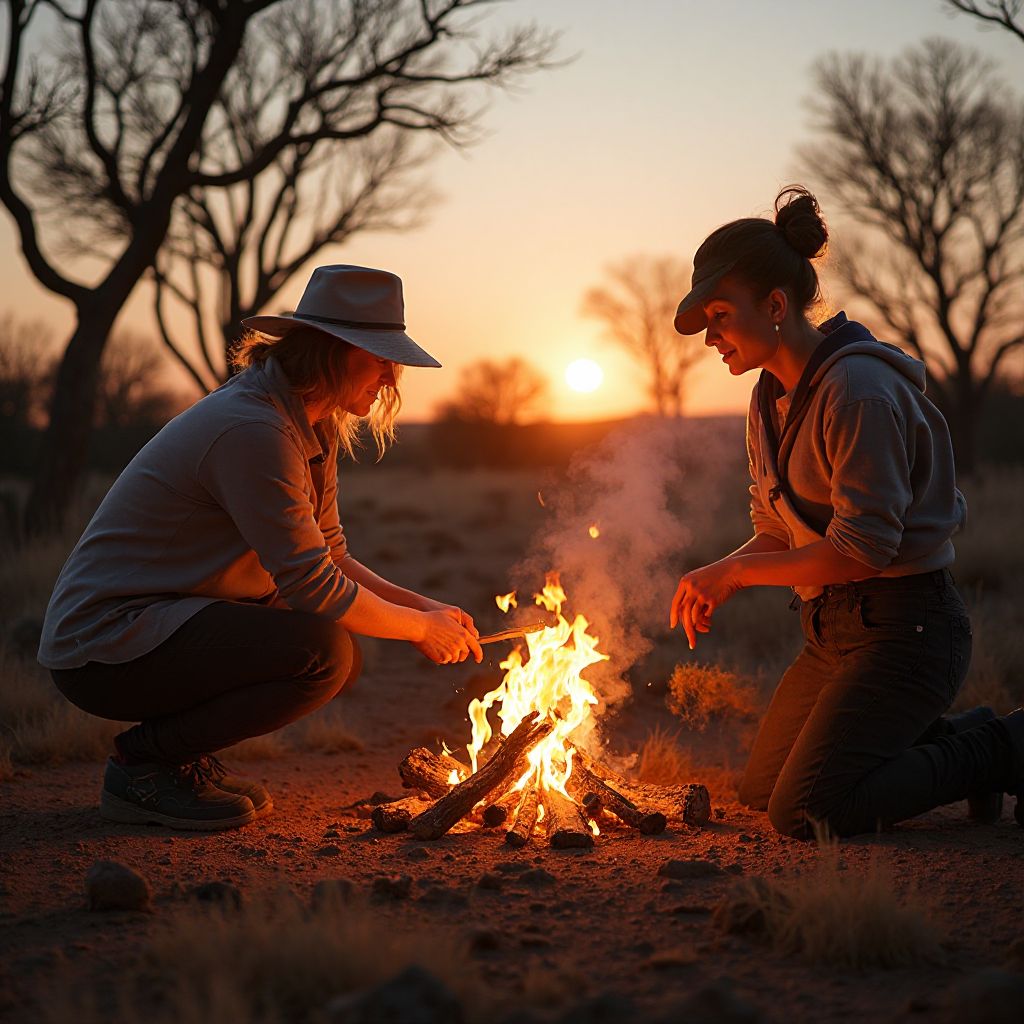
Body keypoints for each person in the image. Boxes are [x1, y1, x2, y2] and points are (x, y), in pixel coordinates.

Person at [38, 264, 483, 831]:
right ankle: (144, 766)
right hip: (105, 645)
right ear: (332, 351)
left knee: (332, 650)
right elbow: (312, 585)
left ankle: (179, 759)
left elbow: (330, 553)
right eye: (379, 358)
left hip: (163, 621)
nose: (391, 378)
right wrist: (419, 630)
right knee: (324, 653)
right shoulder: (254, 430)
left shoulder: (305, 423)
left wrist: (425, 610)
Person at [668, 187, 1022, 839]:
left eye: (720, 315)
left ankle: (1003, 750)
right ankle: (960, 737)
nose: (711, 337)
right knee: (762, 792)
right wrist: (713, 570)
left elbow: (864, 550)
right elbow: (777, 530)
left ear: (776, 305)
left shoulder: (858, 394)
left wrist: (737, 578)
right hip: (831, 632)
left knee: (808, 810)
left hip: (908, 632)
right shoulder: (767, 400)